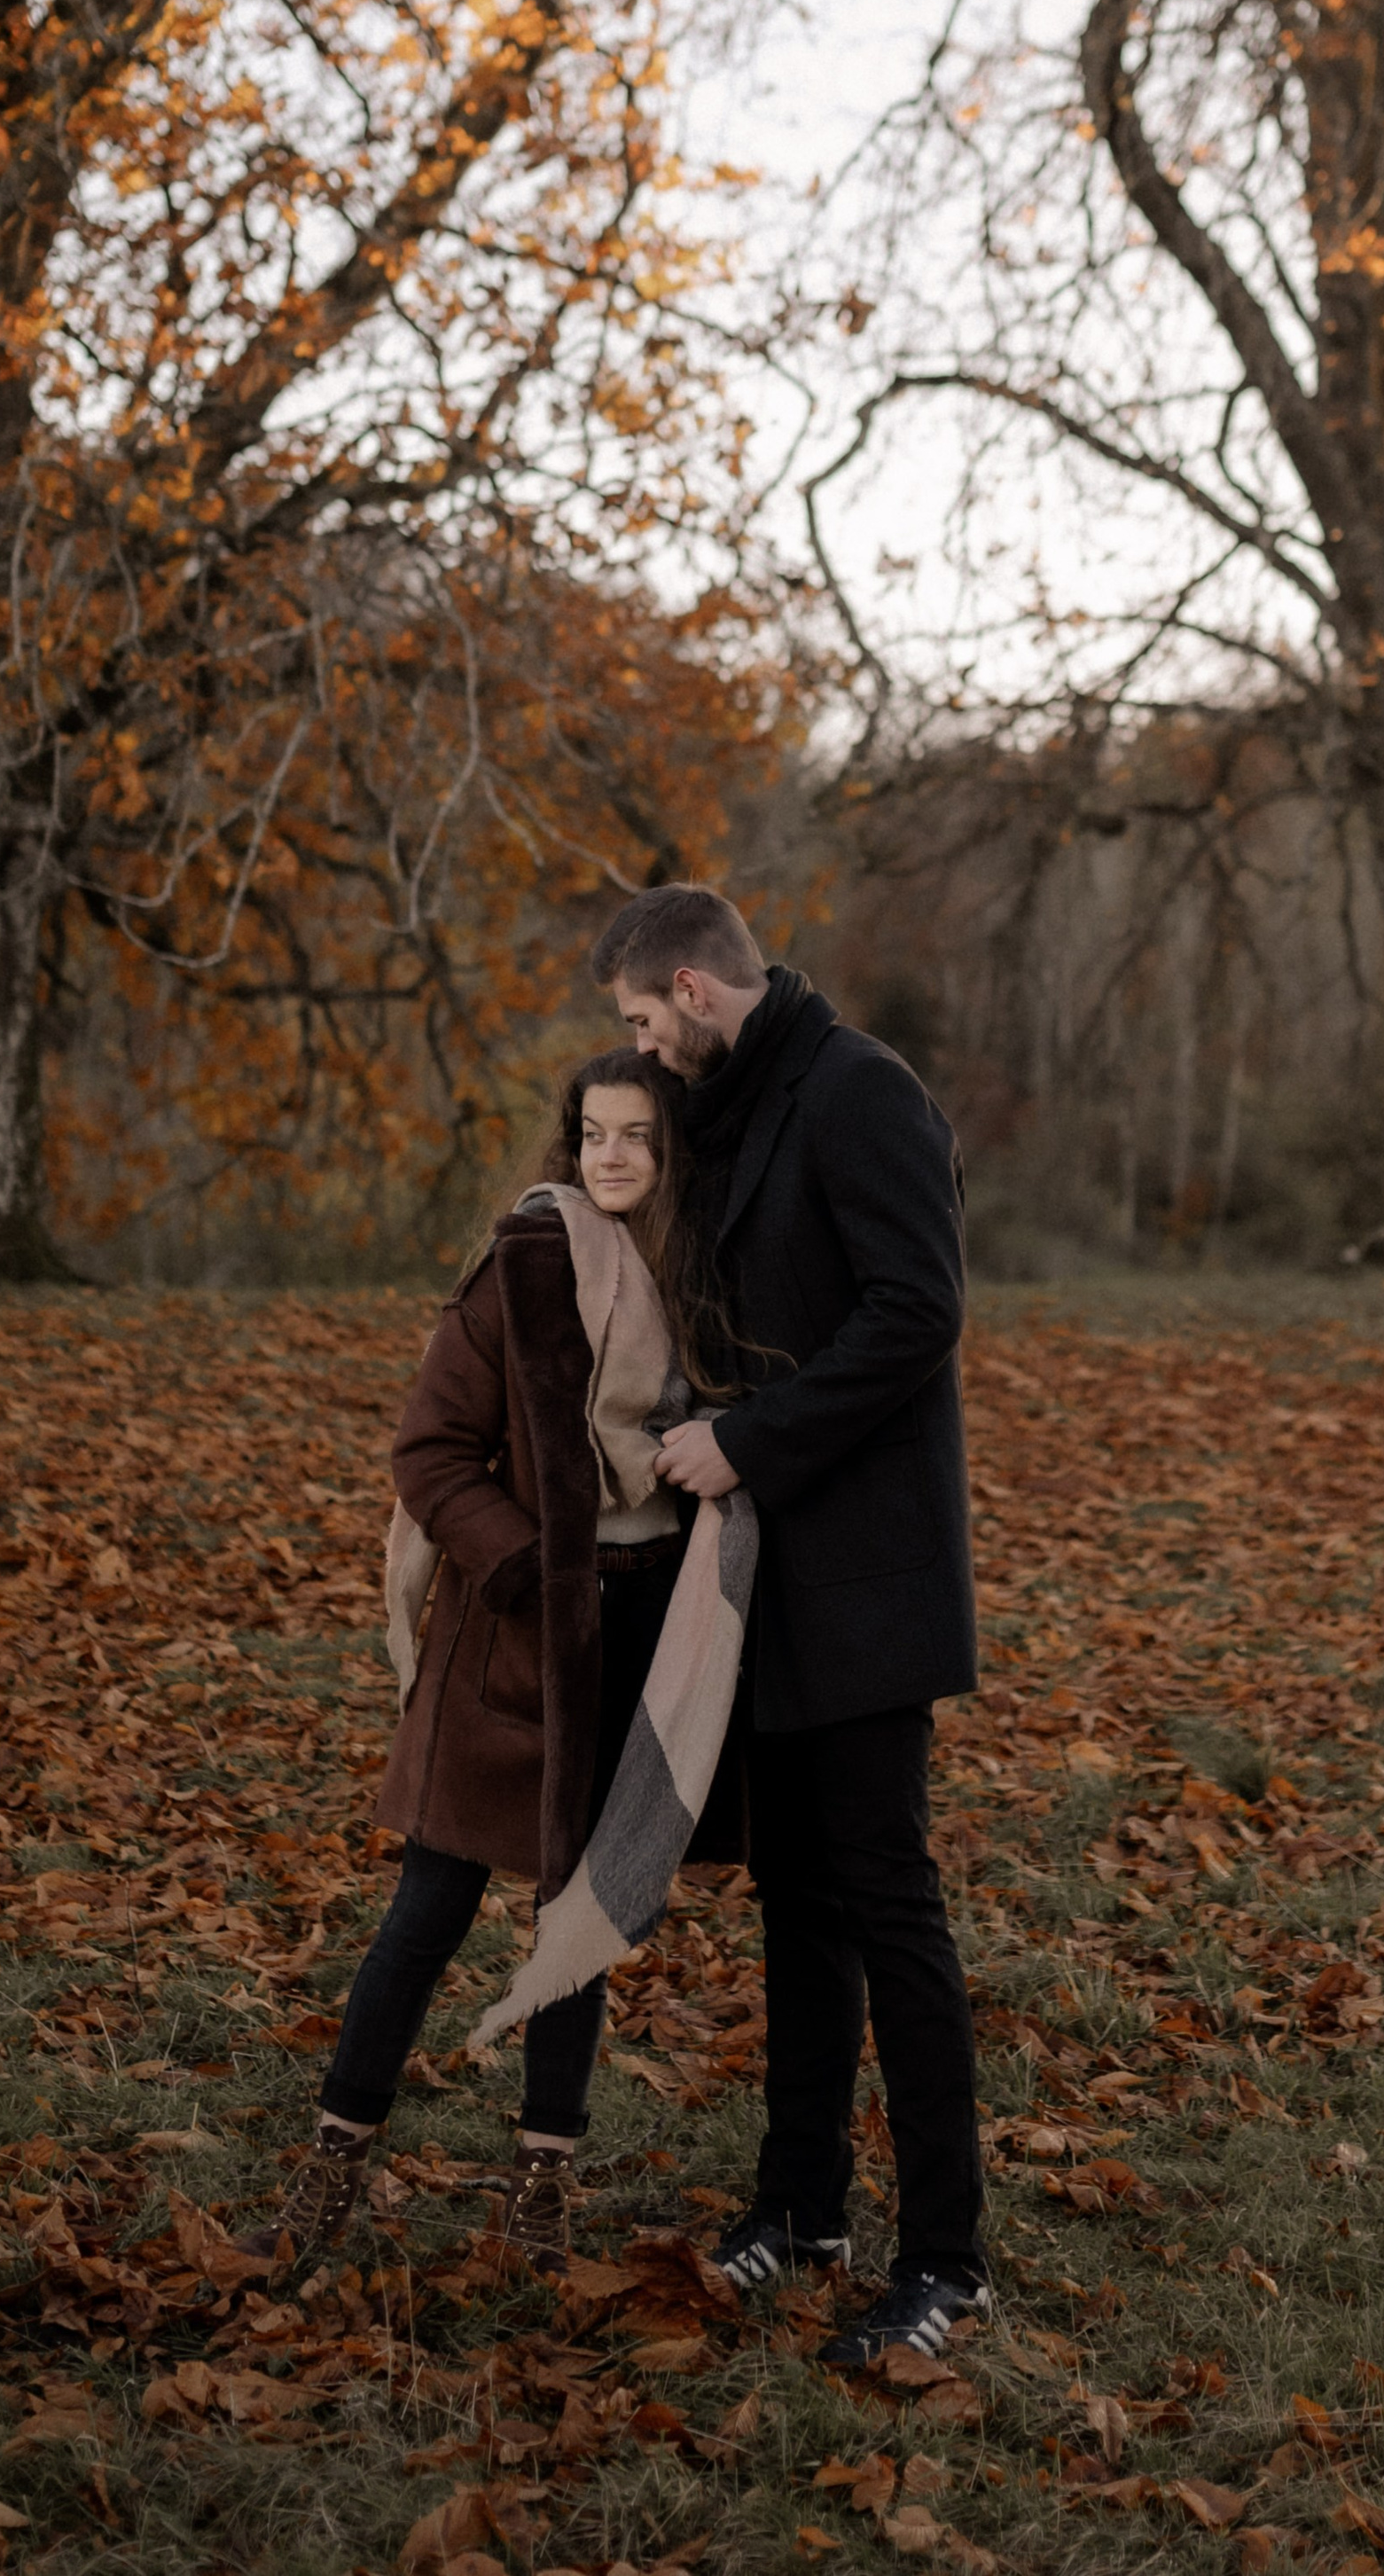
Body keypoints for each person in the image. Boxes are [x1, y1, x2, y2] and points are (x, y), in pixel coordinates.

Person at [240, 1049, 739, 2281]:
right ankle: (329, 2172)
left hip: (642, 1628)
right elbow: (431, 1454)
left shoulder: (702, 1284)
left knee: (577, 1926)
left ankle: (540, 2196)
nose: (611, 1159)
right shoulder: (522, 1268)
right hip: (512, 1630)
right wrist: (524, 1571)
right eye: (593, 1136)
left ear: (672, 1159)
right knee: (428, 1911)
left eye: (638, 1140)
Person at [591, 883, 987, 2369]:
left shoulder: (861, 1090)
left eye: (640, 1021)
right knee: (797, 1900)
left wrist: (750, 1441)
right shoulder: (746, 1101)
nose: (636, 1048)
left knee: (888, 1905)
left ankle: (948, 2261)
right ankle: (802, 2207)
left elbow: (917, 1311)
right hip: (769, 1576)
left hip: (871, 1572)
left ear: (695, 990)